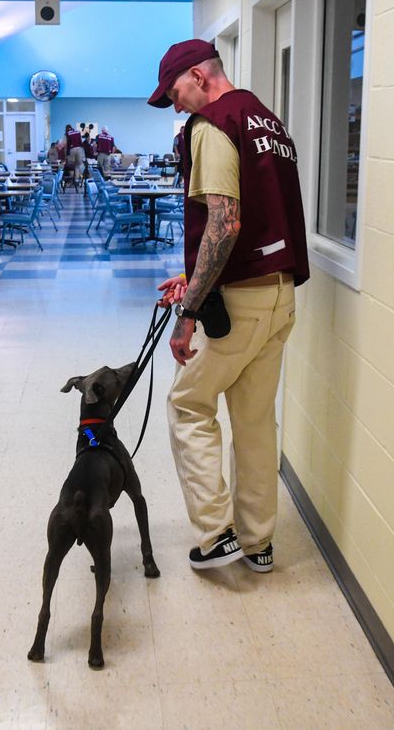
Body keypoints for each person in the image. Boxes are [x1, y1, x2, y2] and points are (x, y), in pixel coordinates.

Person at [149, 39, 309, 574]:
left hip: (237, 305)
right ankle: (259, 541)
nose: (176, 106)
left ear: (198, 75)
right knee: (256, 419)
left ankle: (216, 532)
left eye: (175, 92)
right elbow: (259, 218)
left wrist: (189, 309)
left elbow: (226, 222)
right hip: (279, 296)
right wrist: (194, 274)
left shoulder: (213, 125)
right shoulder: (268, 121)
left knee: (188, 404)